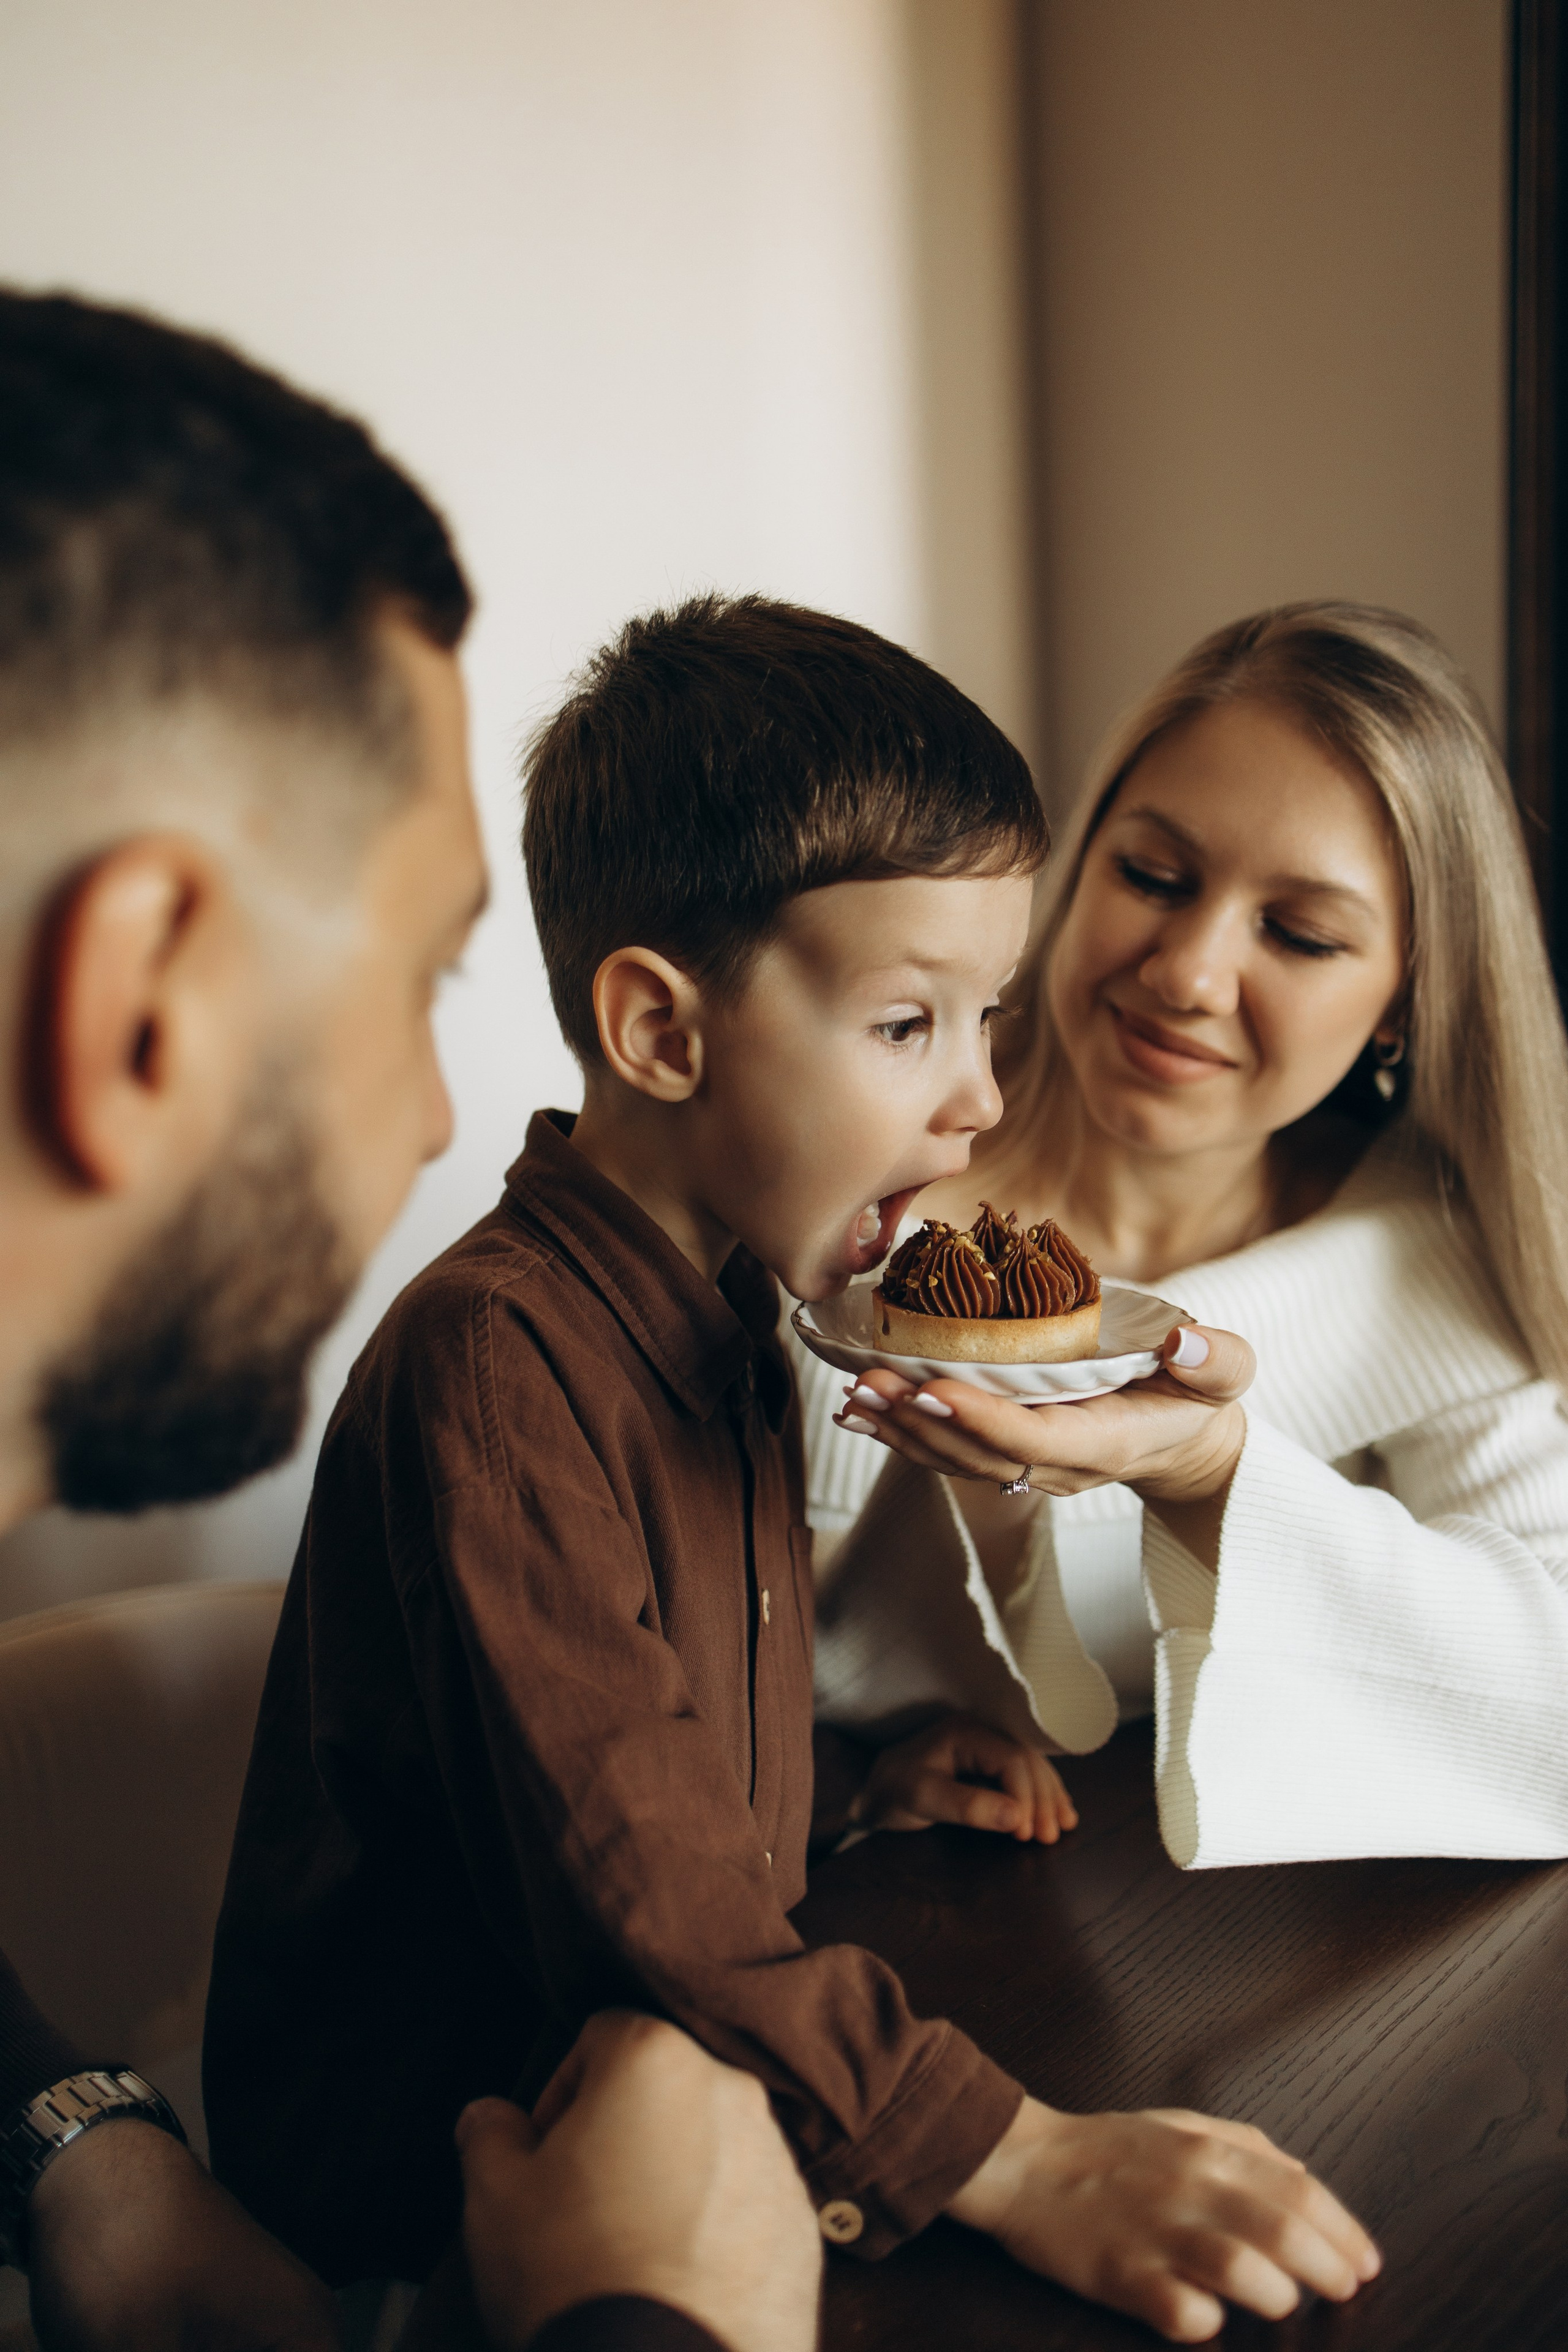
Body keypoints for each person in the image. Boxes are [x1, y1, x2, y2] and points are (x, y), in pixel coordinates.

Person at [205, 594, 1381, 2346]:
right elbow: (630, 1871)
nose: (981, 1102)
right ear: (664, 1034)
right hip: (427, 2212)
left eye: (988, 1019)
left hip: (684, 2095)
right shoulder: (494, 1369)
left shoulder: (748, 1305)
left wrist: (843, 1776)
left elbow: (612, 1728)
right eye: (911, 1026)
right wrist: (1022, 2157)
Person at [0, 286, 817, 2352]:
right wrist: (650, 2329)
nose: (446, 1113)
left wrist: (79, 2157)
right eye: (427, 976)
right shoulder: (494, 1350)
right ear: (144, 1007)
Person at [801, 601, 1568, 1869]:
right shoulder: (840, 1210)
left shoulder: (1413, 1259)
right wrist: (837, 1781)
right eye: (1151, 878)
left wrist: (1212, 1480)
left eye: (1300, 934)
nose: (1188, 973)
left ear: (1405, 1000)